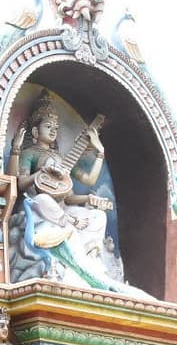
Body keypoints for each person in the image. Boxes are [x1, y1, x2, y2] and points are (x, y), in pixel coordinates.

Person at [11, 92, 136, 294]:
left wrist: (100, 153)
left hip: (64, 209)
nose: (52, 131)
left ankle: (90, 263)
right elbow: (18, 182)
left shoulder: (61, 159)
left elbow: (86, 182)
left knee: (97, 216)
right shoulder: (30, 154)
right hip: (40, 207)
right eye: (47, 127)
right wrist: (38, 175)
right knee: (43, 198)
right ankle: (69, 227)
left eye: (55, 128)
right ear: (35, 130)